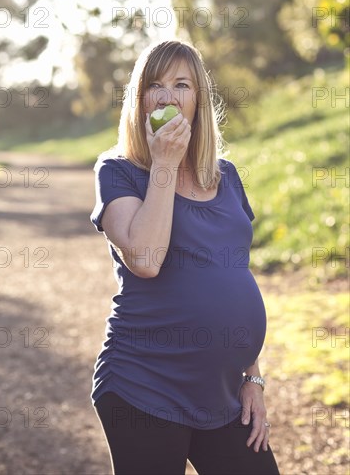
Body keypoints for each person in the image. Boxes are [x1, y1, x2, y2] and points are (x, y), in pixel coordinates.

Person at [90, 39, 280, 475]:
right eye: (155, 85)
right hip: (143, 386)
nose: (168, 96)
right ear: (141, 101)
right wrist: (164, 165)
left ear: (199, 101)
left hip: (224, 394)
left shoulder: (226, 176)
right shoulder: (118, 171)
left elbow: (231, 274)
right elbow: (145, 258)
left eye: (181, 84)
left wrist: (252, 376)